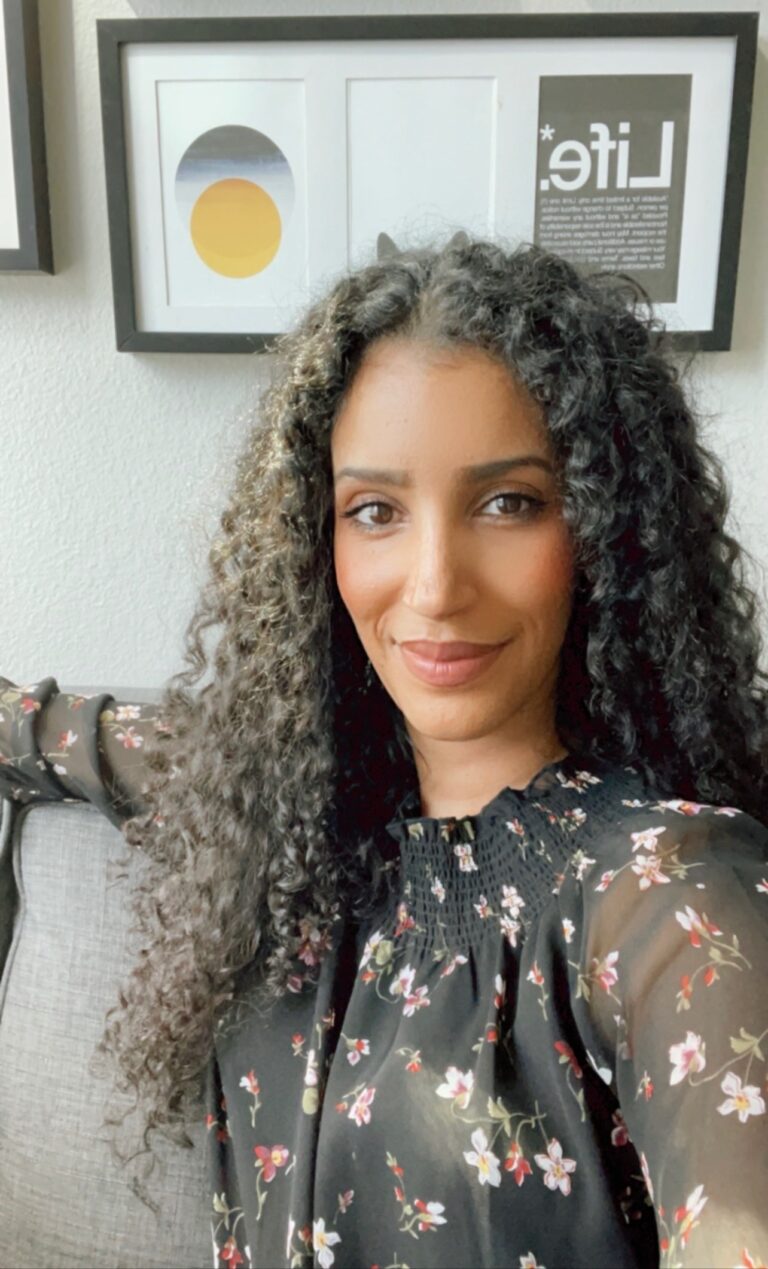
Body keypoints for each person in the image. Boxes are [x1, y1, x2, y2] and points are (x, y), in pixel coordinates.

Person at [1, 231, 767, 1269]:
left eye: (510, 503)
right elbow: (44, 732)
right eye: (376, 511)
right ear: (320, 541)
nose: (435, 583)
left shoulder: (668, 898)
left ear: (605, 530)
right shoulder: (262, 794)